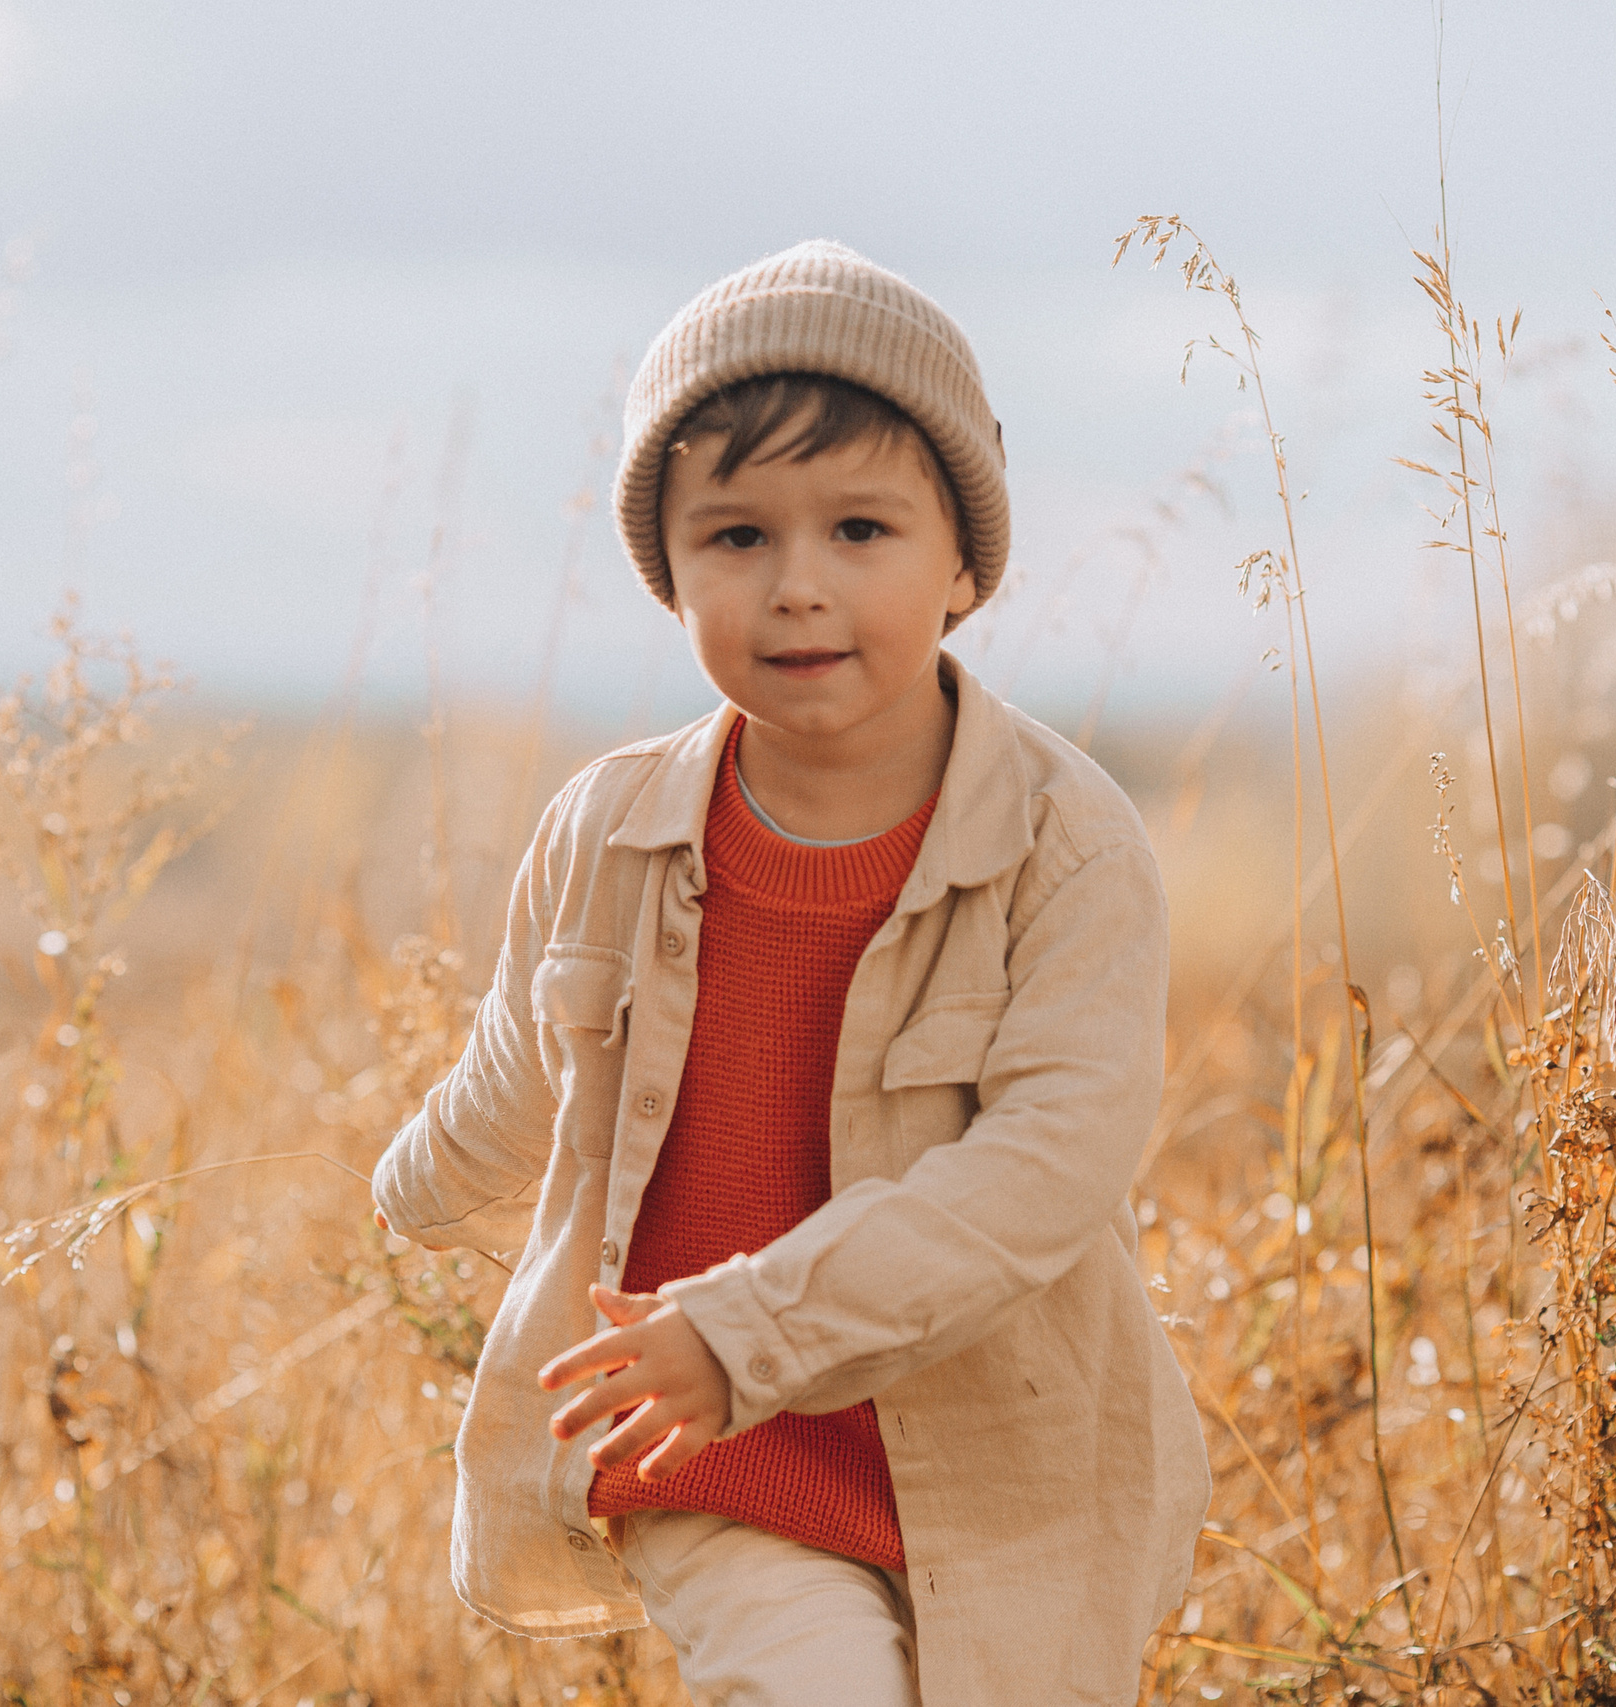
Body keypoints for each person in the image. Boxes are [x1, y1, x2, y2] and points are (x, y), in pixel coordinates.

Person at [372, 239, 1209, 1707]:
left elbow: (1045, 1168)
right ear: (670, 572)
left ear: (963, 560)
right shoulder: (609, 830)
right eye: (738, 537)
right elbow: (525, 1055)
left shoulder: (1066, 846)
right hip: (705, 1437)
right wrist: (412, 1189)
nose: (798, 588)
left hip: (1006, 1465)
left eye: (862, 532)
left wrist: (749, 1324)